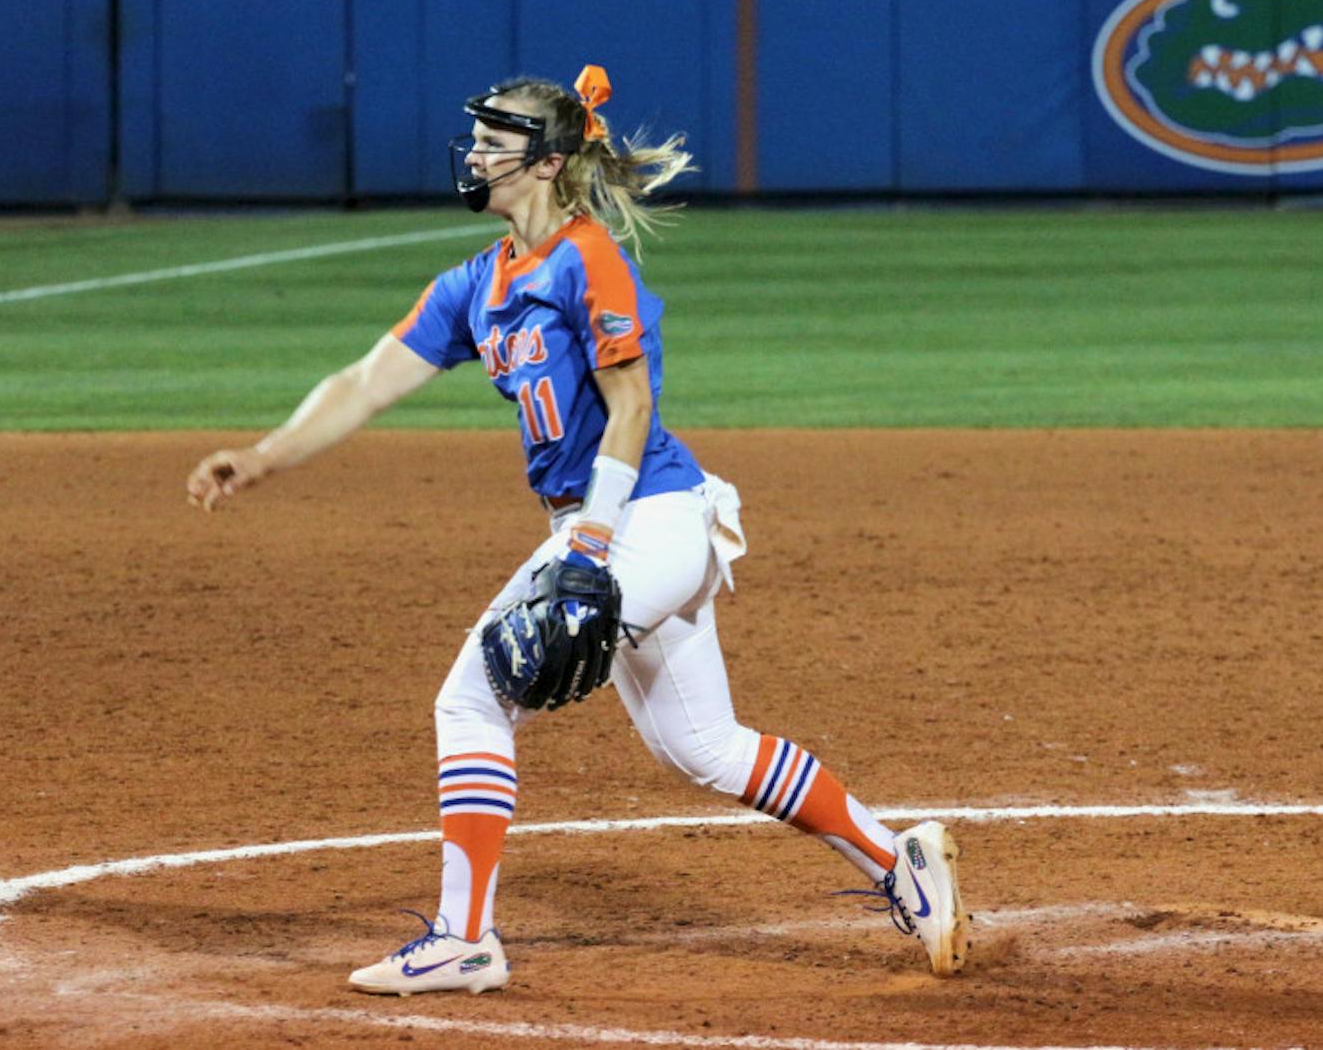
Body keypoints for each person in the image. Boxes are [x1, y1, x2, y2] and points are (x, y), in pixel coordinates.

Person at [185, 64, 968, 995]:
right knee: (703, 748)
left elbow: (631, 404)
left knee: (473, 697)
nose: (474, 151)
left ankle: (464, 936)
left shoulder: (587, 257)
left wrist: (591, 544)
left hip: (647, 515)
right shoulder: (477, 284)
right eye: (474, 136)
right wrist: (264, 454)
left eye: (495, 140)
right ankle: (901, 860)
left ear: (548, 162)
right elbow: (364, 379)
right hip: (618, 522)